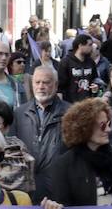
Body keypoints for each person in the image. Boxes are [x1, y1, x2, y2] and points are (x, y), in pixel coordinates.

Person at [43, 98, 112, 207]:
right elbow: (63, 207)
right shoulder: (64, 165)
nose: (108, 129)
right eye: (102, 125)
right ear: (85, 128)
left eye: (109, 124)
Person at [12, 65, 71, 198]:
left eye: (46, 82)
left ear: (55, 85)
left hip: (59, 189)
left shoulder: (70, 114)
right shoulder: (19, 114)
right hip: (26, 189)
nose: (41, 86)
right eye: (37, 82)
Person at [59, 33, 104, 102]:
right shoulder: (66, 62)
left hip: (88, 103)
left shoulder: (90, 62)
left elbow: (96, 79)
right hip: (70, 104)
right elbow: (60, 87)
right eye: (89, 45)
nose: (92, 47)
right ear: (80, 46)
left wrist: (96, 85)